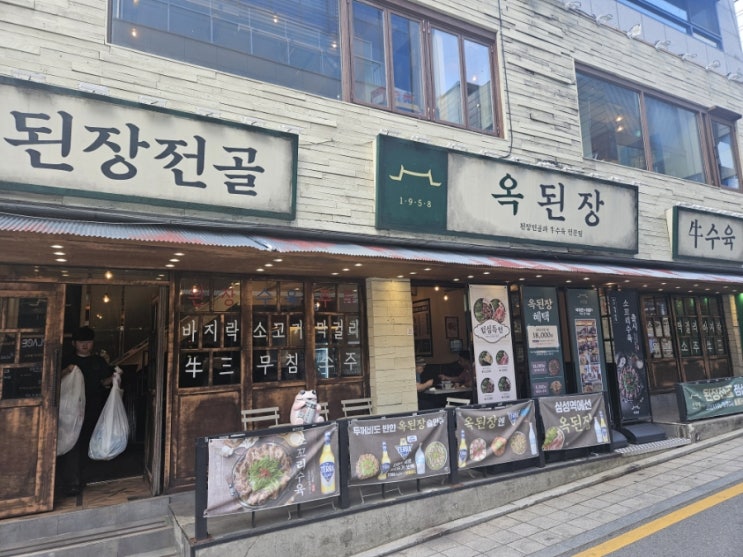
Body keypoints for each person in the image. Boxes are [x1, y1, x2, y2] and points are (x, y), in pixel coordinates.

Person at [55, 326, 114, 497]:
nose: (85, 345)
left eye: (88, 342)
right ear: (74, 343)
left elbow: (104, 382)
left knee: (88, 441)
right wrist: (66, 371)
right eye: (81, 342)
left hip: (93, 406)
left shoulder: (98, 361)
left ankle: (84, 478)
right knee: (71, 443)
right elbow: (53, 380)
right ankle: (70, 482)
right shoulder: (67, 360)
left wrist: (115, 378)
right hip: (69, 411)